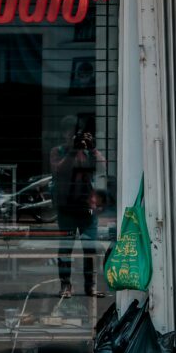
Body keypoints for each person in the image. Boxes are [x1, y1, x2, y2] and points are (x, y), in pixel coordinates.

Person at [50, 115, 106, 298]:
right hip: (66, 208)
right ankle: (66, 286)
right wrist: (73, 151)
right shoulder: (57, 151)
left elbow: (103, 167)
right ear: (64, 134)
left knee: (90, 248)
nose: (72, 136)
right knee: (66, 248)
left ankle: (90, 287)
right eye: (69, 132)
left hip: (87, 209)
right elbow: (60, 170)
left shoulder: (88, 152)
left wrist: (93, 148)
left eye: (76, 133)